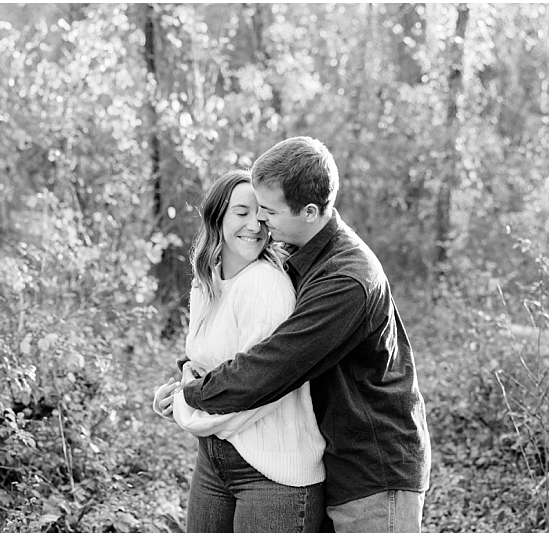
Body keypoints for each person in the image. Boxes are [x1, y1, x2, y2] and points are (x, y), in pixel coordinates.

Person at [179, 136, 432, 533]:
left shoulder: (346, 279)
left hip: (373, 470)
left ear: (310, 211)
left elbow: (272, 366)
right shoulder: (300, 256)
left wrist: (190, 394)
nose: (261, 220)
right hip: (330, 456)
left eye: (270, 211)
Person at [152, 169, 326, 533]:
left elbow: (256, 390)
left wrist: (187, 409)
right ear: (217, 218)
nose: (256, 224)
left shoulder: (266, 286)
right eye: (242, 212)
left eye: (262, 213)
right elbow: (203, 367)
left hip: (273, 472)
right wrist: (173, 394)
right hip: (214, 461)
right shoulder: (207, 282)